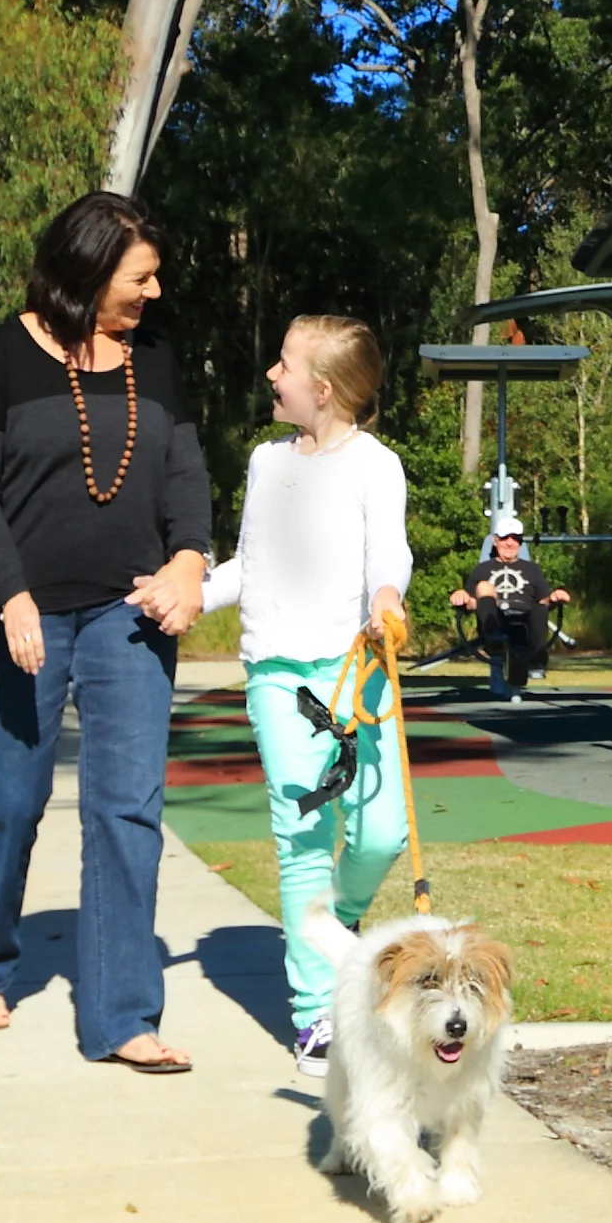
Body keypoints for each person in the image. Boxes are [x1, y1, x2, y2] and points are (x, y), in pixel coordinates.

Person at [0, 190, 214, 1070]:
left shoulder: (157, 357)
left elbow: (185, 475)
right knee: (10, 797)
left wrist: (191, 560)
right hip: (22, 610)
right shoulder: (4, 353)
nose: (156, 292)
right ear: (89, 270)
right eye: (142, 276)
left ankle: (123, 1016)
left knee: (127, 808)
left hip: (128, 613)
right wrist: (12, 594)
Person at [200, 315, 416, 1061]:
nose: (271, 375)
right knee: (303, 837)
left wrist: (388, 597)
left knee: (382, 831)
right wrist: (190, 596)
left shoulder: (375, 465)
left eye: (283, 365)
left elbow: (389, 551)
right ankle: (315, 1014)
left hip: (355, 672)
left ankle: (338, 920)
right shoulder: (267, 464)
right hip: (279, 675)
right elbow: (250, 565)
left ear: (320, 390)